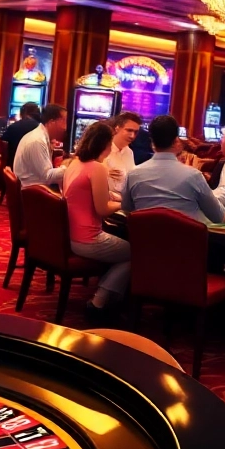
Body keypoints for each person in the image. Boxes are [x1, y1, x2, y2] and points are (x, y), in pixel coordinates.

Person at [63, 121, 131, 324]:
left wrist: (114, 198)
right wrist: (124, 204)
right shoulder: (98, 168)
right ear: (104, 144)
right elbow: (102, 209)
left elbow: (88, 194)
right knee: (136, 254)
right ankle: (99, 301)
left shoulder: (74, 163)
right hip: (88, 238)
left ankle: (114, 299)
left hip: (71, 233)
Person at [122, 115, 225, 224]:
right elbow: (216, 216)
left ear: (152, 143)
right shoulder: (194, 175)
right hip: (188, 246)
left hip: (143, 245)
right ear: (175, 141)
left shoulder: (133, 174)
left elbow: (127, 210)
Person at [13, 103, 67, 188]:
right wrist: (69, 168)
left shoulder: (40, 136)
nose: (65, 127)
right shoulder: (37, 141)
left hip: (33, 188)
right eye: (64, 121)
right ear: (51, 122)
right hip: (31, 194)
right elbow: (47, 177)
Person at [105, 111, 141, 195]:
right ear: (117, 128)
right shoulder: (103, 149)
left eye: (135, 132)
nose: (132, 135)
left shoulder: (129, 152)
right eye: (129, 130)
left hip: (124, 200)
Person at [1, 102, 40, 172]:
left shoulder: (13, 126)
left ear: (23, 113)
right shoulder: (42, 128)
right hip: (36, 171)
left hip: (13, 168)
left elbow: (2, 143)